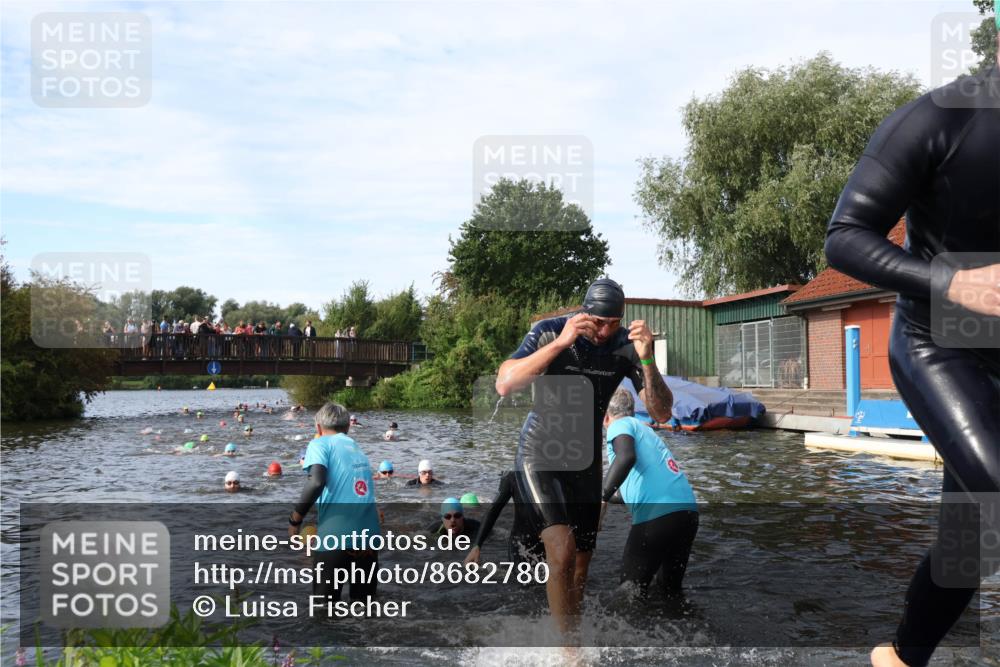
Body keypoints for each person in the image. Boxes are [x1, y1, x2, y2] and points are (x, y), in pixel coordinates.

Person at [825, 38, 999, 667]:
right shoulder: (940, 119)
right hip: (940, 342)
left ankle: (900, 658)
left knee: (969, 544)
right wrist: (953, 281)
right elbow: (845, 237)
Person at [494, 277, 673, 633]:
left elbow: (662, 413)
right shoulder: (551, 331)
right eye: (599, 322)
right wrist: (562, 343)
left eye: (614, 323)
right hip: (540, 450)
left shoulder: (625, 346)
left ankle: (569, 634)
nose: (605, 331)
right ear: (585, 313)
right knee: (560, 551)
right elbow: (505, 382)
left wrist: (648, 358)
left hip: (586, 458)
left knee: (580, 564)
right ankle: (568, 653)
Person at [599, 388, 698, 598]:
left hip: (658, 515)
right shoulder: (645, 431)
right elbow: (632, 486)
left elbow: (626, 458)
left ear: (606, 416)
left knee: (629, 593)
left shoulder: (619, 424)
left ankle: (623, 631)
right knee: (669, 591)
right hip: (686, 513)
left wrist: (602, 497)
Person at [288, 402, 380, 605]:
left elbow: (316, 482)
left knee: (323, 612)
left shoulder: (319, 444)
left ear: (318, 428)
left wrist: (295, 520)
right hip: (369, 540)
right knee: (365, 612)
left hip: (336, 539)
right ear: (347, 427)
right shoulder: (357, 448)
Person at [466, 470, 545, 568]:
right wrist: (477, 546)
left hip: (550, 542)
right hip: (521, 546)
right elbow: (493, 510)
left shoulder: (560, 473)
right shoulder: (512, 476)